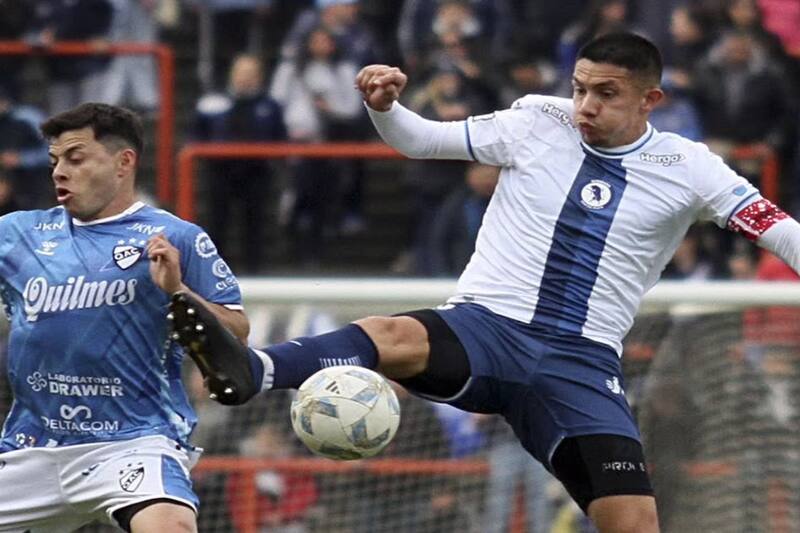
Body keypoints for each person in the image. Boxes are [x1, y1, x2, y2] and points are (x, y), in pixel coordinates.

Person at [169, 32, 800, 532]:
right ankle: (255, 372)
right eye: (580, 88)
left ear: (649, 100)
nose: (585, 106)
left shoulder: (690, 167)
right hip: (487, 326)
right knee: (394, 332)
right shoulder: (535, 120)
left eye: (606, 94)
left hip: (579, 364)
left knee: (634, 523)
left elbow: (777, 229)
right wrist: (385, 107)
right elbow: (422, 141)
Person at [0, 103, 251, 532]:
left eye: (75, 159)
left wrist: (179, 292)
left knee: (171, 526)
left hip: (134, 441)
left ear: (124, 162)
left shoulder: (175, 237)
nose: (59, 171)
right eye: (54, 160)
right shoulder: (17, 233)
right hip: (32, 446)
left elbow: (238, 333)